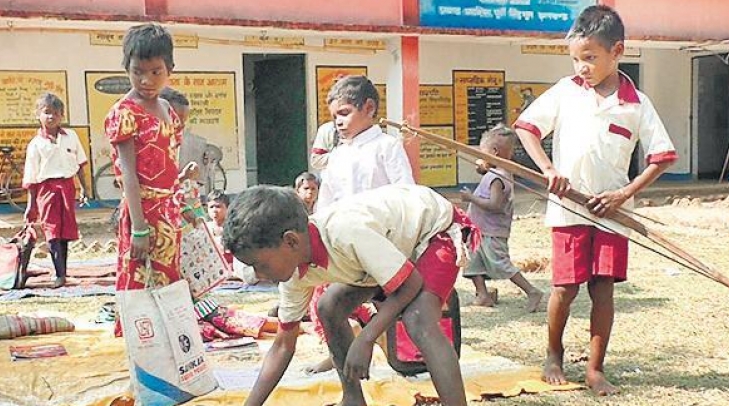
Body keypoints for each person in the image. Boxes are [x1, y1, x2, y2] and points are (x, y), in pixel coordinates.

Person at [514, 5, 677, 396]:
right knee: (565, 288)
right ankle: (553, 353)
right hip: (569, 208)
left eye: (590, 58)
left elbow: (663, 157)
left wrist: (624, 194)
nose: (582, 66)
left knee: (603, 289)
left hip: (612, 214)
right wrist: (549, 169)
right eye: (576, 58)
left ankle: (594, 368)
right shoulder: (567, 91)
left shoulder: (636, 103)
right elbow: (527, 128)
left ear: (617, 50)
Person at [223, 184, 478, 406]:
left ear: (290, 242)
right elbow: (282, 345)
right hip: (384, 251)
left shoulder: (346, 233)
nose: (258, 274)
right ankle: (353, 399)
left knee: (418, 320)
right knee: (328, 306)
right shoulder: (294, 273)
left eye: (261, 265)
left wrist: (365, 339)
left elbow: (409, 284)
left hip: (434, 230)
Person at [104, 23, 187, 336]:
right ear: (126, 67)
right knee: (140, 287)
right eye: (138, 71)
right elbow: (128, 176)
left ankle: (170, 349)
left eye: (156, 72)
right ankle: (143, 356)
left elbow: (170, 162)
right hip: (143, 213)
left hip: (170, 211)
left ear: (170, 70)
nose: (146, 80)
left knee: (168, 285)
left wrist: (184, 205)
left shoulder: (167, 108)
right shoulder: (124, 112)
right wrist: (139, 228)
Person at [460, 124, 543, 312]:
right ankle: (482, 294)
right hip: (479, 230)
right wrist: (484, 167)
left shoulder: (498, 177)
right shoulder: (495, 172)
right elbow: (485, 171)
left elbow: (495, 205)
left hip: (492, 232)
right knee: (474, 264)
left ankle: (532, 291)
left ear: (494, 152)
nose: (481, 158)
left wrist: (470, 197)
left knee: (501, 264)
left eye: (483, 153)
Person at [316, 75, 414, 210]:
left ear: (369, 108)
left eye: (344, 113)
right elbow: (325, 203)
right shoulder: (337, 155)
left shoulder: (386, 146)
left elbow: (406, 195)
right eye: (335, 117)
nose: (338, 122)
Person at [23, 92, 89, 289]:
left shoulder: (71, 137)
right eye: (47, 112)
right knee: (52, 231)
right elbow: (32, 178)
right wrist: (30, 205)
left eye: (56, 113)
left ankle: (64, 271)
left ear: (62, 116)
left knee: (65, 231)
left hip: (67, 187)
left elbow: (80, 166)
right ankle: (59, 274)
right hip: (46, 190)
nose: (51, 117)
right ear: (38, 115)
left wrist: (84, 189)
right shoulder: (35, 145)